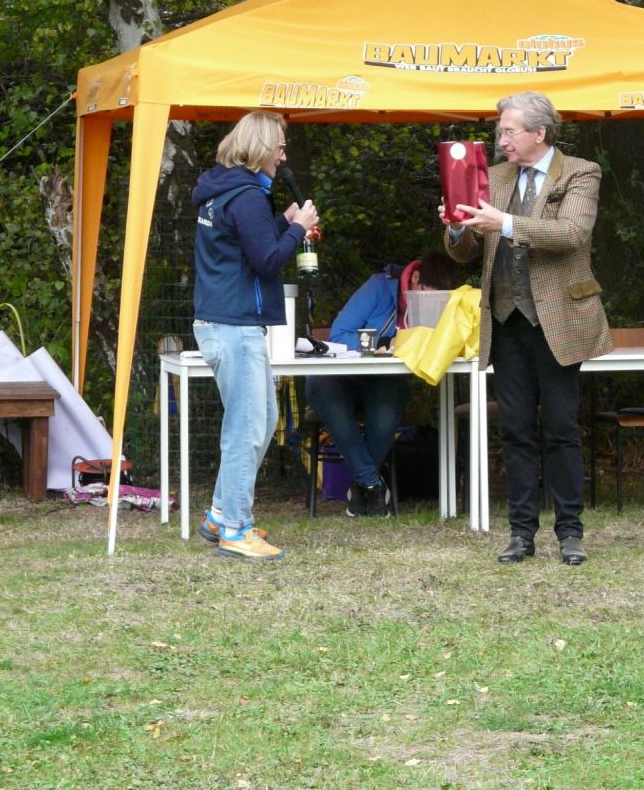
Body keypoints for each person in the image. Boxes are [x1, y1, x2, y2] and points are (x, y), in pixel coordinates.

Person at [442, 91, 612, 565]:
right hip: (506, 323)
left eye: (509, 132)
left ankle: (570, 533)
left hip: (559, 321)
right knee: (515, 431)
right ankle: (521, 534)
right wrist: (457, 228)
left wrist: (505, 223)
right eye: (499, 132)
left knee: (560, 429)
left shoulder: (580, 172)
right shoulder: (493, 177)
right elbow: (465, 252)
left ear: (540, 132)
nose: (501, 141)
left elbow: (573, 233)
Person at [192, 111, 318, 560]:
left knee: (261, 421)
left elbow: (247, 250)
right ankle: (235, 529)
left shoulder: (223, 189)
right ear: (262, 148)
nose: (283, 157)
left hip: (225, 322)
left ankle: (219, 516)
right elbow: (266, 261)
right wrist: (299, 228)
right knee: (247, 429)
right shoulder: (246, 196)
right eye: (279, 148)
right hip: (234, 326)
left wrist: (283, 223)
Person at [305, 251, 463, 518]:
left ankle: (362, 487)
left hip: (384, 381)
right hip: (339, 377)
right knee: (324, 392)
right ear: (415, 278)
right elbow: (339, 335)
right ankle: (373, 484)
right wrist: (381, 344)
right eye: (427, 296)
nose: (431, 306)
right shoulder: (379, 287)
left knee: (386, 411)